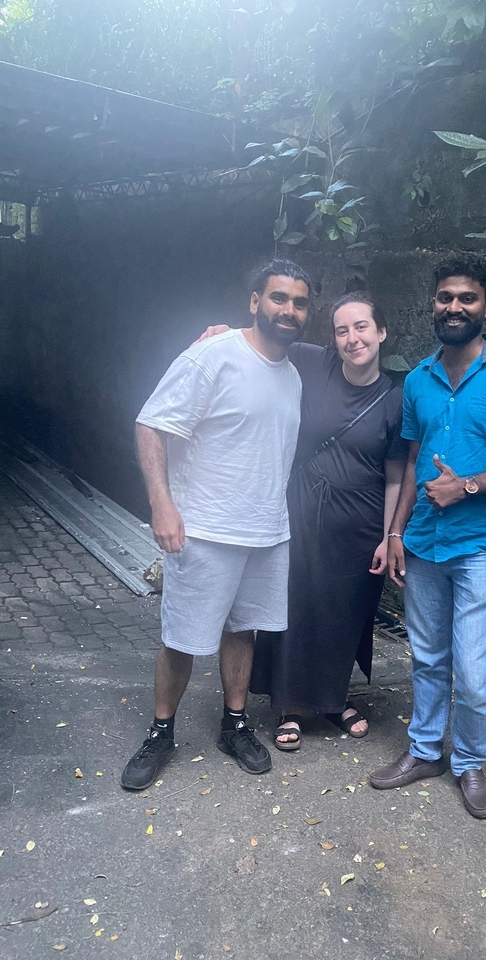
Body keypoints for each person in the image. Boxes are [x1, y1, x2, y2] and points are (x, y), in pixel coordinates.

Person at [368, 254, 486, 820]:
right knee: (426, 657)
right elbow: (410, 461)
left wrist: (468, 486)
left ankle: (470, 762)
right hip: (424, 543)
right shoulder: (420, 382)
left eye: (467, 298)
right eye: (446, 298)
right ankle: (425, 751)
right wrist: (395, 531)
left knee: (474, 673)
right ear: (434, 305)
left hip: (483, 545)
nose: (455, 307)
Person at [120, 259, 312, 791]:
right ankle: (161, 732)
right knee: (181, 637)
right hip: (203, 528)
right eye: (278, 298)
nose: (288, 310)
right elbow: (151, 424)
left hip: (267, 531)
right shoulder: (212, 356)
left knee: (242, 631)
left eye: (299, 303)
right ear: (255, 301)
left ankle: (234, 724)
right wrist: (162, 504)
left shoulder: (294, 374)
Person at [200, 295, 407, 750]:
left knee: (345, 611)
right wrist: (226, 335)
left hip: (361, 521)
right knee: (292, 604)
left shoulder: (396, 399)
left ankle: (332, 699)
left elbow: (396, 473)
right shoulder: (314, 363)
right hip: (300, 508)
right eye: (341, 330)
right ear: (332, 338)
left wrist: (390, 534)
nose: (352, 339)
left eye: (361, 328)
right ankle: (289, 704)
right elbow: (266, 339)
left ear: (382, 332)